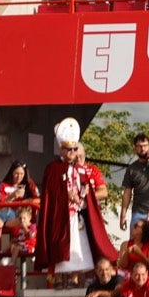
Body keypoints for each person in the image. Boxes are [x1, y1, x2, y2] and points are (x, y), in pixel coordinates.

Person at [38, 118, 118, 287]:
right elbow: (50, 192)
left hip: (78, 213)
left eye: (75, 149)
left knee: (78, 246)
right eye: (69, 149)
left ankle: (74, 278)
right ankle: (59, 278)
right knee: (61, 246)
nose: (72, 152)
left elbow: (87, 187)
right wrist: (66, 194)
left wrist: (84, 193)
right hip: (61, 215)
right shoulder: (52, 168)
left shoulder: (81, 168)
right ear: (61, 149)